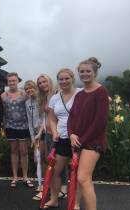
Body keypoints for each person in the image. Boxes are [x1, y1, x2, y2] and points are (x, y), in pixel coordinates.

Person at [67, 57, 109, 210]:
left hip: (93, 142)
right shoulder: (79, 94)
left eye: (88, 71)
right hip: (78, 141)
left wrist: (81, 140)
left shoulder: (101, 92)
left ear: (95, 72)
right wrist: (71, 134)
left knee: (83, 178)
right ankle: (75, 205)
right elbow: (71, 117)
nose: (84, 74)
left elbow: (100, 122)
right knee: (77, 177)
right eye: (81, 71)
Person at [41, 68, 81, 209]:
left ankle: (75, 203)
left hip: (78, 138)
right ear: (57, 81)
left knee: (77, 173)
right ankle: (54, 199)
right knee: (55, 171)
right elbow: (51, 118)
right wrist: (54, 131)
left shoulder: (81, 93)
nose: (64, 81)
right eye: (61, 79)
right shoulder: (55, 97)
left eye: (67, 78)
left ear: (72, 79)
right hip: (61, 138)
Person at [1, 73, 33, 188]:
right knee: (14, 151)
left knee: (24, 152)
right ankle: (15, 177)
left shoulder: (25, 94)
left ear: (18, 81)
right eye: (9, 81)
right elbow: (2, 112)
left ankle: (25, 176)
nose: (12, 83)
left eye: (14, 80)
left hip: (24, 126)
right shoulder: (3, 96)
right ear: (7, 82)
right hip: (10, 126)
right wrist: (3, 126)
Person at [24, 80, 45, 200]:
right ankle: (40, 184)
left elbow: (44, 117)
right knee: (38, 159)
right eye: (27, 89)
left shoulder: (41, 100)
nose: (29, 91)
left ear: (36, 88)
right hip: (35, 134)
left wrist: (40, 132)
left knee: (43, 158)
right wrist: (32, 137)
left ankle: (45, 184)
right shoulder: (27, 103)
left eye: (31, 88)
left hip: (44, 131)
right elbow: (29, 121)